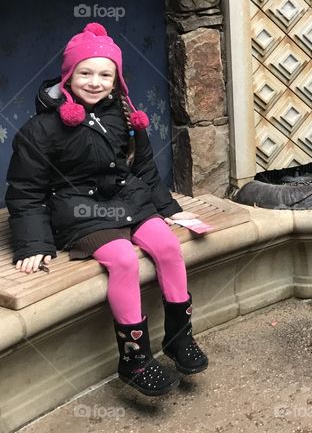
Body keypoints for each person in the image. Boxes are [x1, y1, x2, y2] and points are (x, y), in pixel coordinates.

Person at [6, 22, 207, 396]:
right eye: (85, 72)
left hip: (127, 200)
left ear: (117, 80)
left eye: (105, 74)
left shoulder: (128, 117)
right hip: (79, 211)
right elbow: (26, 190)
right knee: (123, 260)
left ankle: (179, 338)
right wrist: (33, 245)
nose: (95, 82)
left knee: (166, 246)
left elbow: (145, 170)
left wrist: (170, 209)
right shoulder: (42, 129)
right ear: (68, 75)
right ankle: (134, 358)